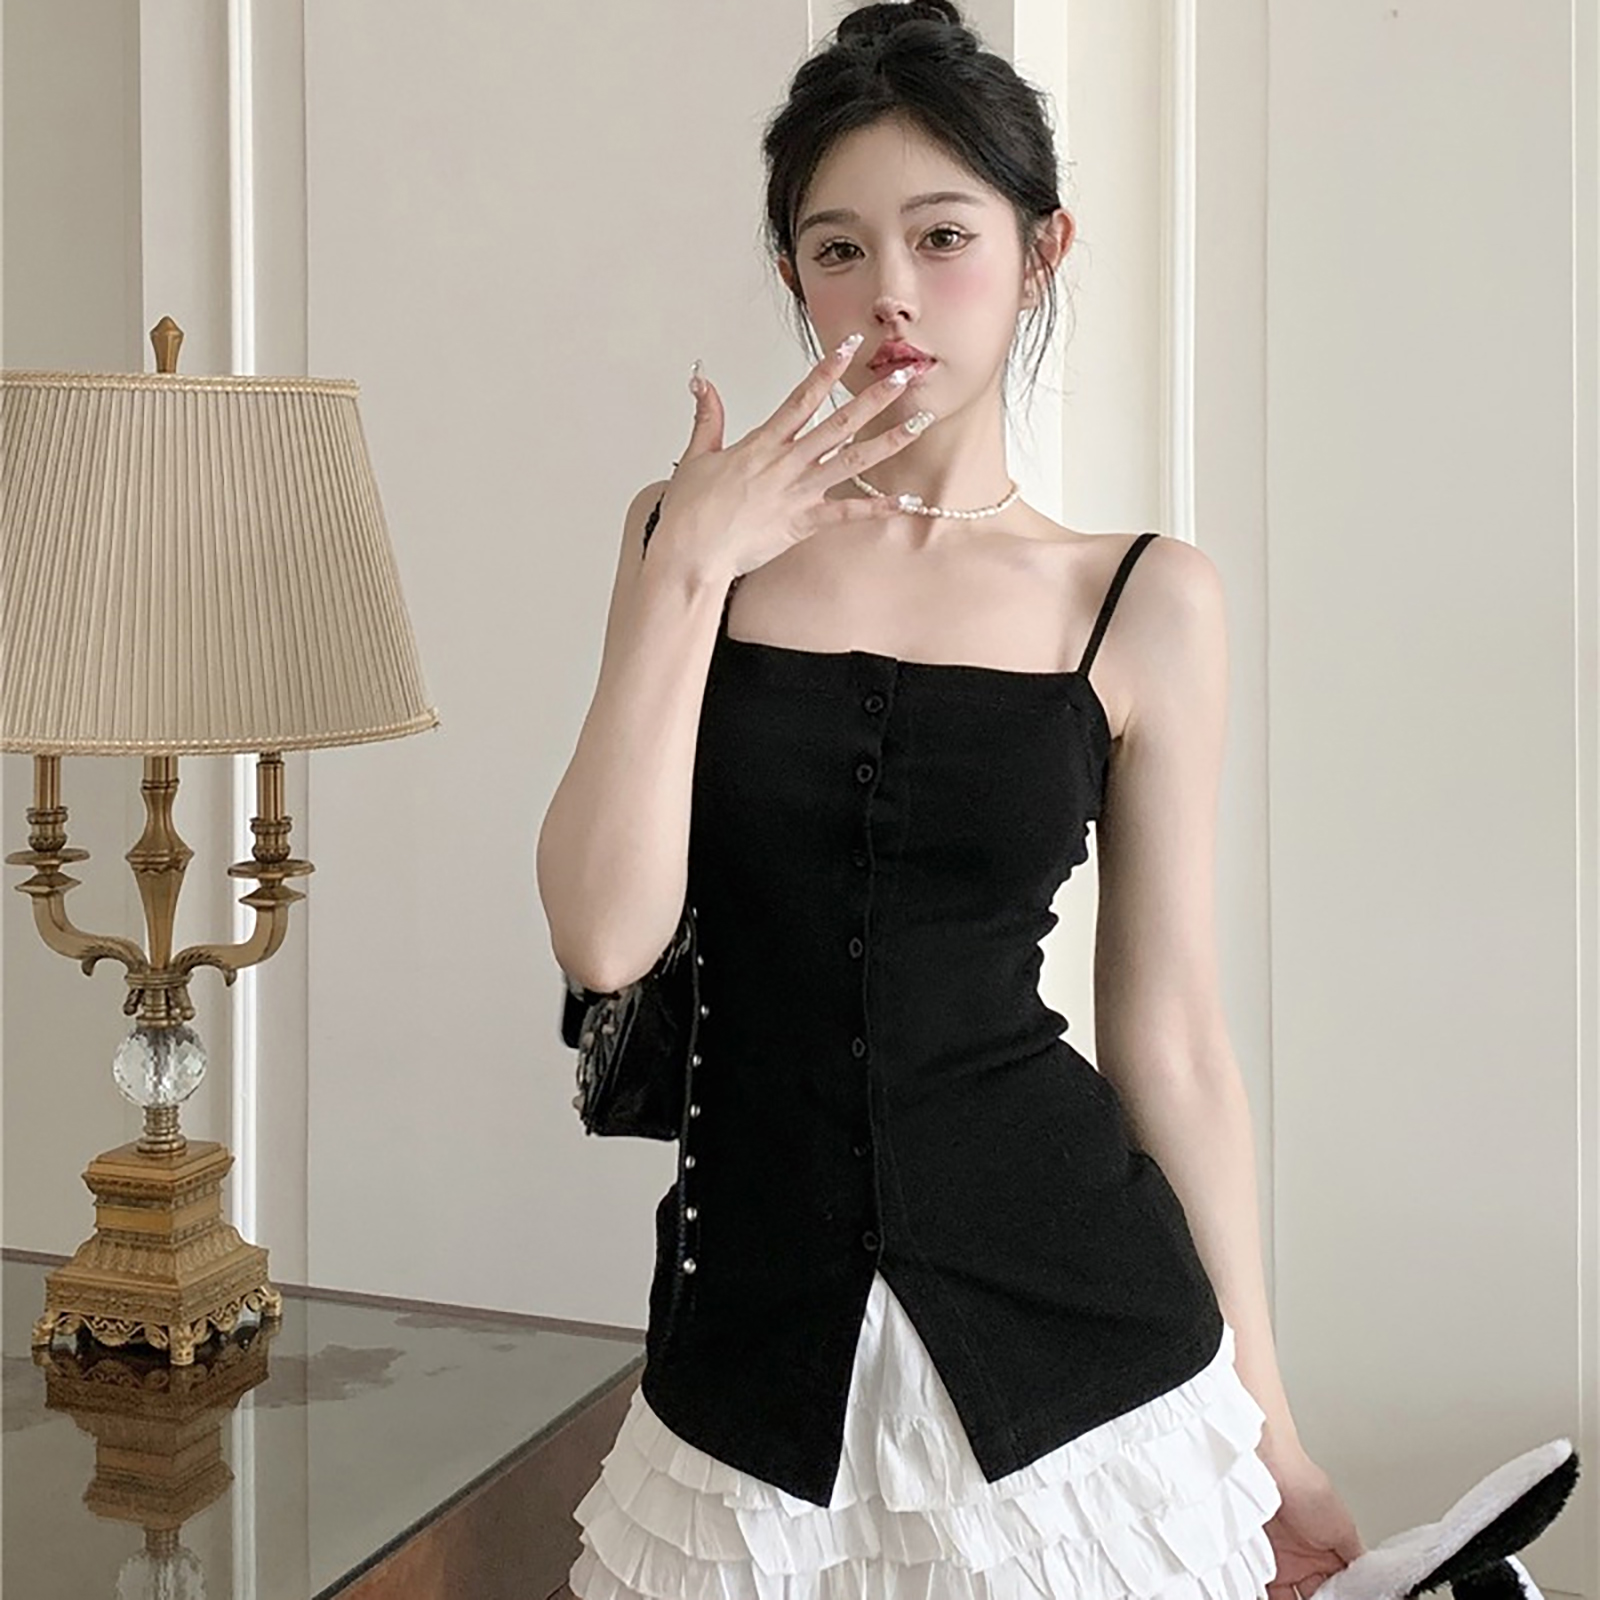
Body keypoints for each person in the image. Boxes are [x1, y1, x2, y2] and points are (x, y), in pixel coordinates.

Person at [537, 4, 1369, 1596]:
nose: (893, 293)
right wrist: (693, 564)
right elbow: (601, 935)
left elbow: (1172, 1039)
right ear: (794, 276)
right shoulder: (682, 538)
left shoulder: (1142, 599)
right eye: (837, 250)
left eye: (943, 236)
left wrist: (1269, 1425)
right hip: (745, 1362)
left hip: (1085, 1361)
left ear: (1041, 251)